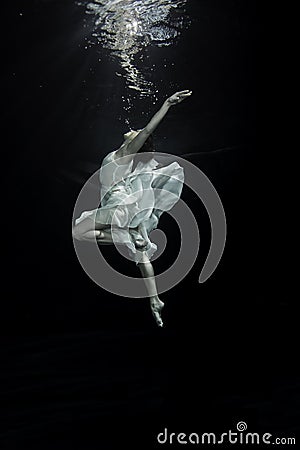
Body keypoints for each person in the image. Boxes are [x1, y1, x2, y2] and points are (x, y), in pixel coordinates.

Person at [73, 90, 192, 327]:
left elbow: (148, 130)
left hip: (118, 205)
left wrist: (167, 104)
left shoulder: (126, 153)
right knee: (140, 251)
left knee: (79, 231)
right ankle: (155, 300)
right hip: (117, 205)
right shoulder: (126, 159)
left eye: (137, 133)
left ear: (134, 142)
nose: (135, 130)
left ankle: (128, 237)